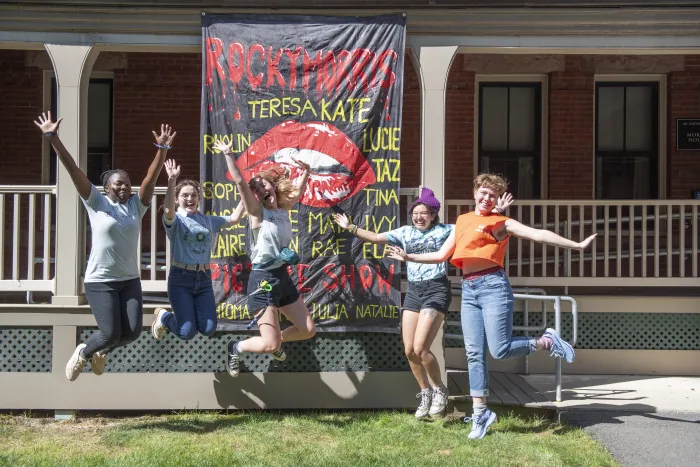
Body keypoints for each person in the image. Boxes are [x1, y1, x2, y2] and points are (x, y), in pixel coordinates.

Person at [387, 173, 596, 438]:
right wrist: (408, 256)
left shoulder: (501, 222)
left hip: (494, 286)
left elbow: (537, 234)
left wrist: (575, 244)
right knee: (473, 353)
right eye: (483, 193)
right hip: (469, 289)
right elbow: (441, 255)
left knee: (500, 350)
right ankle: (481, 412)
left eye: (492, 195)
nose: (486, 198)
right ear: (475, 193)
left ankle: (545, 341)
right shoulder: (463, 221)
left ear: (497, 200)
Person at [334, 187, 513, 419]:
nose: (419, 217)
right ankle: (425, 391)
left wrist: (496, 211)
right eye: (415, 213)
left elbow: (475, 226)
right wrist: (350, 227)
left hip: (436, 289)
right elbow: (376, 238)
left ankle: (440, 389)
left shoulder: (447, 230)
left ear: (433, 215)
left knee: (421, 347)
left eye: (424, 213)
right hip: (414, 291)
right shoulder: (405, 232)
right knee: (409, 350)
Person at [34, 111, 175, 381]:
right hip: (101, 281)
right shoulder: (96, 203)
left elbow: (150, 179)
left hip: (129, 280)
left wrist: (162, 150)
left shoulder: (136, 206)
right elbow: (73, 169)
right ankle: (86, 352)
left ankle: (99, 351)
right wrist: (53, 139)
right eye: (118, 183)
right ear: (106, 187)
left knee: (132, 332)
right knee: (110, 332)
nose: (125, 187)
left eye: (127, 183)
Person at [214, 140, 317, 377]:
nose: (262, 191)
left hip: (282, 276)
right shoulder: (257, 213)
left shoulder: (282, 209)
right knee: (270, 345)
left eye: (264, 186)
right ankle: (235, 347)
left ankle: (277, 342)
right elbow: (240, 181)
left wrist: (307, 172)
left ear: (273, 186)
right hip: (263, 279)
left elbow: (298, 191)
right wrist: (229, 153)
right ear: (255, 197)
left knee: (308, 329)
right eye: (257, 190)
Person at [150, 159, 246, 342]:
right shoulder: (176, 220)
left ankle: (185, 315)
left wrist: (246, 194)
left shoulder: (207, 220)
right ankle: (163, 316)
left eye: (193, 195)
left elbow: (234, 219)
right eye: (185, 195)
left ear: (199, 198)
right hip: (181, 279)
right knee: (187, 333)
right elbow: (169, 210)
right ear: (178, 198)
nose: (189, 199)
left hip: (203, 280)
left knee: (209, 329)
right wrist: (172, 180)